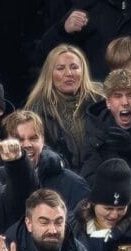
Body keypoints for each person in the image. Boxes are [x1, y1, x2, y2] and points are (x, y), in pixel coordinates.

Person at [25, 44, 104, 172]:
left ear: (83, 71)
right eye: (61, 68)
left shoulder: (100, 101)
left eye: (74, 67)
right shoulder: (38, 109)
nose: (69, 73)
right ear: (49, 73)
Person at [0, 110, 89, 211]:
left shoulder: (73, 183)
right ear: (6, 142)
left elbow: (82, 221)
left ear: (42, 140)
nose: (27, 145)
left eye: (33, 138)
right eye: (19, 140)